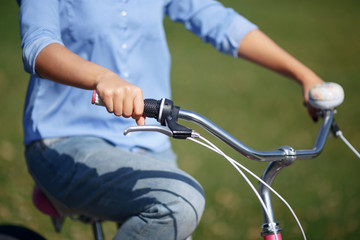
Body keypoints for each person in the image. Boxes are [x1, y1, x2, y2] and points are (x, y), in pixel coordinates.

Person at [18, 0, 323, 239]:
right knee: (179, 203)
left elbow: (220, 22)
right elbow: (38, 46)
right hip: (64, 139)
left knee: (179, 217)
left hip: (149, 142)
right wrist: (101, 77)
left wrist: (304, 76)